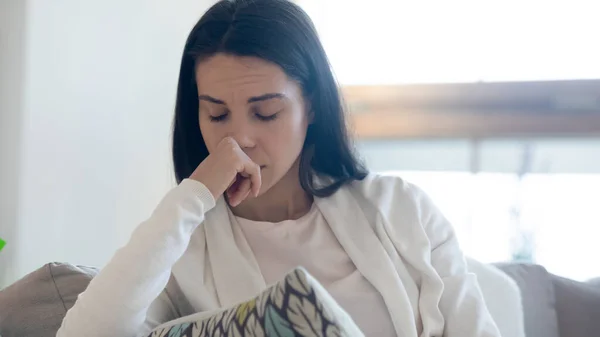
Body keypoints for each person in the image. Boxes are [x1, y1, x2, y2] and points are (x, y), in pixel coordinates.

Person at [57, 0, 501, 336]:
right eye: (216, 114)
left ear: (310, 106)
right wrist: (193, 195)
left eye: (266, 113)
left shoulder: (402, 210)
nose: (239, 139)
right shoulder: (186, 248)